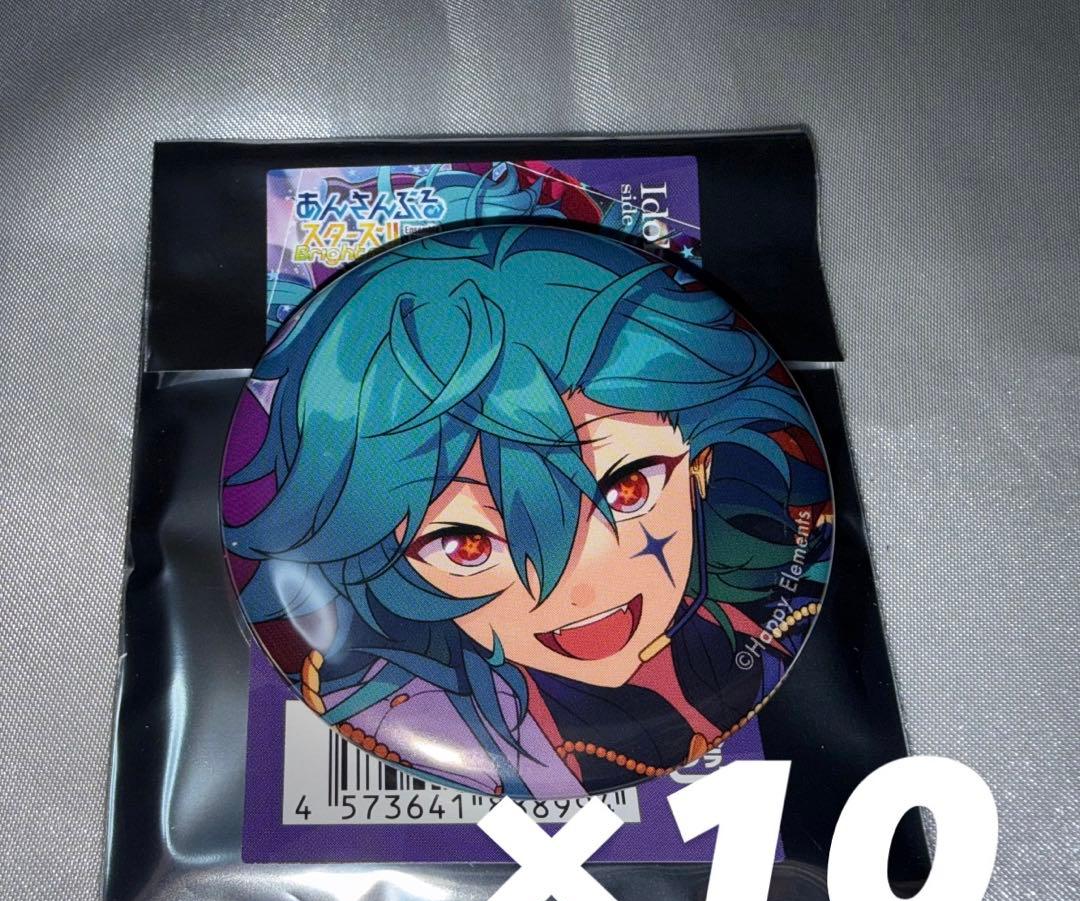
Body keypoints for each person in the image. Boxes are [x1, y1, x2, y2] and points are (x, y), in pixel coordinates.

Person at [224, 223, 831, 798]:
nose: (579, 588)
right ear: (385, 558)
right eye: (467, 545)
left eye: (626, 490)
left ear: (698, 461)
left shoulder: (770, 611)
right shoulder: (408, 716)